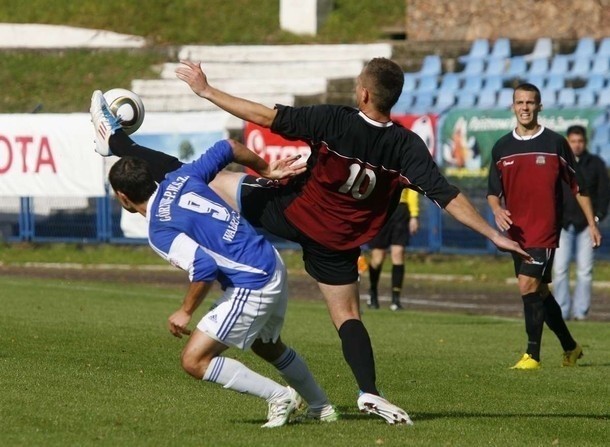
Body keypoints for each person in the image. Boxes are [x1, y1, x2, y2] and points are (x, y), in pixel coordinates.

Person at [93, 58, 530, 425]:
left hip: (291, 209)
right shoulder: (406, 146)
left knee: (204, 179)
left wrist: (208, 91)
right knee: (347, 317)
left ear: (362, 93)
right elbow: (448, 196)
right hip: (337, 240)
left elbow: (264, 117)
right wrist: (494, 234)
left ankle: (117, 142)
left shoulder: (336, 120)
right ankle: (368, 391)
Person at [91, 91, 338, 427]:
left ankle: (278, 396)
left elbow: (204, 268)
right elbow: (230, 146)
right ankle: (321, 407)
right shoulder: (182, 177)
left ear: (123, 197)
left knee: (194, 360)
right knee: (268, 346)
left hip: (253, 282)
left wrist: (185, 311)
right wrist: (267, 168)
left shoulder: (159, 230)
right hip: (269, 260)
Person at [487, 83, 602, 370]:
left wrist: (592, 223)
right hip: (517, 232)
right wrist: (496, 209)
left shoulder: (555, 143)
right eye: (520, 102)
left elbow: (579, 186)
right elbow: (492, 191)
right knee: (539, 292)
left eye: (530, 102)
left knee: (527, 285)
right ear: (512, 106)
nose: (525, 107)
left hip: (545, 229)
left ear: (540, 106)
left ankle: (532, 356)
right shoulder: (502, 147)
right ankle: (570, 346)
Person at [553, 125, 610, 321]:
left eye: (580, 141)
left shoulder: (596, 164)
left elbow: (604, 194)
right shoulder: (559, 164)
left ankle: (581, 313)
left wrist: (596, 218)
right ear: (567, 142)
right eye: (573, 141)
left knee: (585, 271)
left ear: (585, 142)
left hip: (587, 226)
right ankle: (561, 310)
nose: (576, 145)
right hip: (562, 224)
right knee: (560, 269)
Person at [366, 188, 419, 311]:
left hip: (401, 210)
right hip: (380, 209)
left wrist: (414, 215)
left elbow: (412, 190)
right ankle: (373, 291)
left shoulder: (404, 170)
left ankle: (396, 300)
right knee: (378, 258)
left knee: (398, 253)